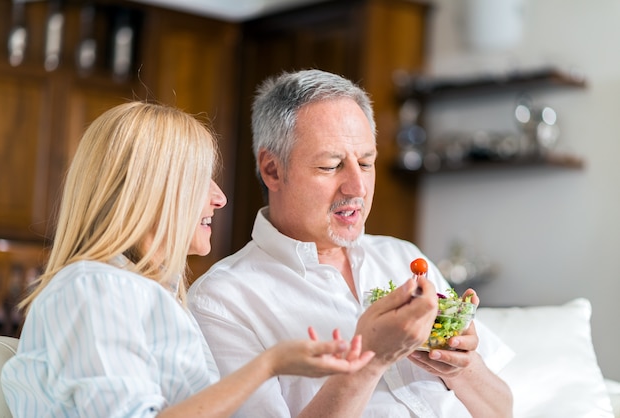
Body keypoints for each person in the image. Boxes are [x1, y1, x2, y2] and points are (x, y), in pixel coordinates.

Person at [0, 101, 375, 417]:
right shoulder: (96, 288)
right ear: (148, 191)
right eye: (200, 179)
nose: (219, 198)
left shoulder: (148, 294)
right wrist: (269, 365)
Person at [187, 69, 515, 417]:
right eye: (331, 166)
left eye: (365, 163)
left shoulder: (403, 256)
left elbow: (501, 409)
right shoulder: (222, 300)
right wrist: (372, 359)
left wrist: (464, 367)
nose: (357, 187)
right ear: (272, 170)